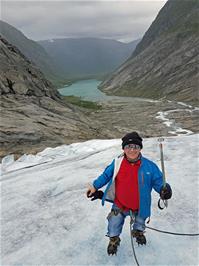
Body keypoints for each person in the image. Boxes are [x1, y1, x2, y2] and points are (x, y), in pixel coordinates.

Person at [86, 132, 172, 255]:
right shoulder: (117, 163)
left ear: (140, 148)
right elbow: (106, 176)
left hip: (141, 205)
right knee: (113, 223)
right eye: (128, 147)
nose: (132, 150)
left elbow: (158, 181)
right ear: (123, 148)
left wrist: (165, 190)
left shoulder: (150, 166)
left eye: (136, 147)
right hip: (120, 203)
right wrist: (95, 186)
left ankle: (138, 232)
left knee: (140, 223)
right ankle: (114, 239)